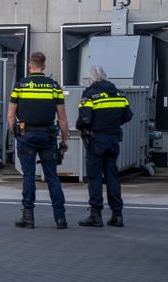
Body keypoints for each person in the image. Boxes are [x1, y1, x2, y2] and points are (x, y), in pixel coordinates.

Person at [7, 51, 69, 229]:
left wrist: (15, 134)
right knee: (52, 176)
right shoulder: (53, 86)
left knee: (28, 175)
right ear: (44, 66)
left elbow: (11, 115)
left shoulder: (21, 85)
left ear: (30, 65)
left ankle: (28, 217)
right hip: (48, 136)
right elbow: (62, 118)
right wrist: (65, 140)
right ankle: (60, 218)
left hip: (26, 136)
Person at [76, 65, 133, 228]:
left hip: (96, 140)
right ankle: (117, 215)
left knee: (94, 178)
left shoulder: (90, 94)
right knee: (112, 177)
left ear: (92, 79)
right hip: (113, 139)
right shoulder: (118, 93)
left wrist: (80, 126)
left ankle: (96, 215)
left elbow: (84, 120)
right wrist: (113, 125)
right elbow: (128, 115)